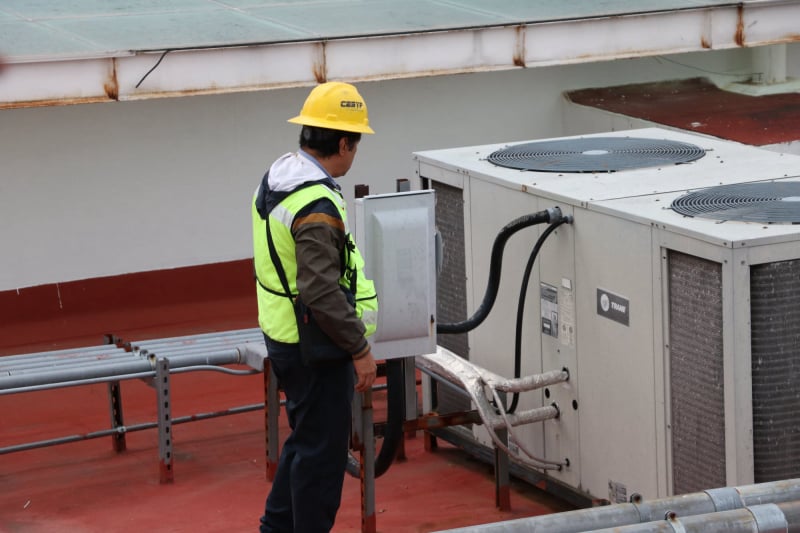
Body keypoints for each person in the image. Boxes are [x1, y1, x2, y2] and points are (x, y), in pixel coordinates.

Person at [252, 81, 379, 533]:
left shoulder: (279, 177)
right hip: (316, 347)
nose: (354, 153)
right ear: (343, 144)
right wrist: (360, 349)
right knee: (322, 462)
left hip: (286, 335)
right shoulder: (316, 204)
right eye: (355, 144)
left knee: (305, 443)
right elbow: (321, 291)